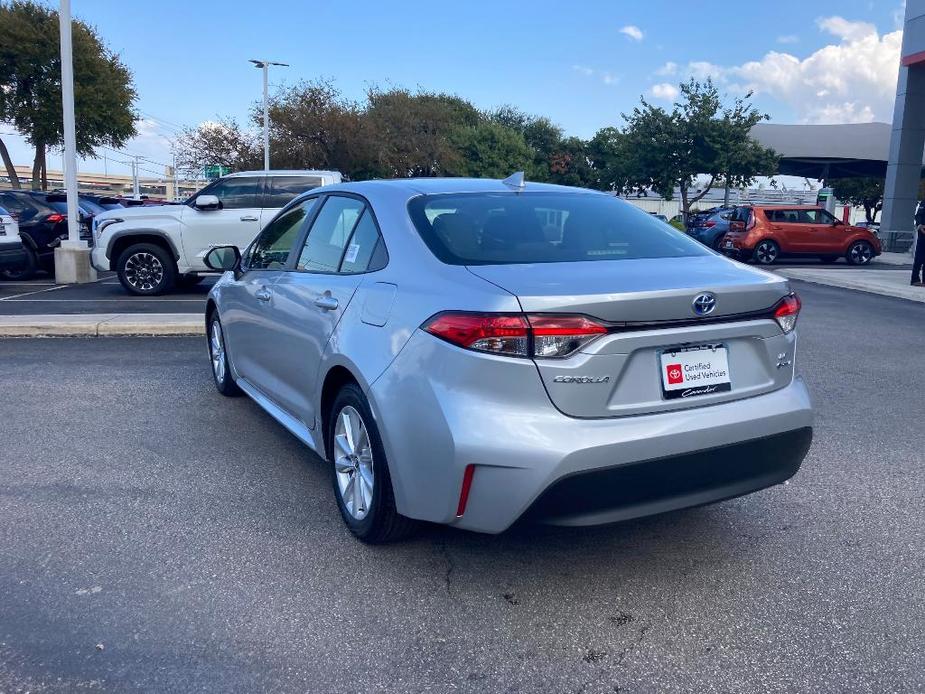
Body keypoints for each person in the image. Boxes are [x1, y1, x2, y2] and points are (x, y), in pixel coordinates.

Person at [914, 202, 925, 287]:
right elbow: (918, 215)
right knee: (919, 256)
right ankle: (915, 279)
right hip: (923, 231)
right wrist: (920, 225)